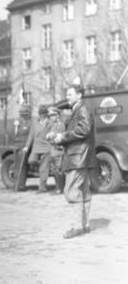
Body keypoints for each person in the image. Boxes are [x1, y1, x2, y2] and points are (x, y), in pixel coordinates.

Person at [46, 83, 96, 238]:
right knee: (83, 191)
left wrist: (63, 137)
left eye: (69, 94)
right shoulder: (78, 110)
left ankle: (76, 227)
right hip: (80, 157)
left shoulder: (82, 109)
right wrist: (58, 138)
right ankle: (85, 225)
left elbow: (84, 130)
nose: (67, 97)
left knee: (72, 190)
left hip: (77, 158)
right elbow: (79, 132)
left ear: (79, 95)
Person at [28, 105, 54, 192]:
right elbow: (31, 136)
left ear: (46, 114)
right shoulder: (35, 122)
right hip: (36, 147)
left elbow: (52, 134)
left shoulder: (50, 123)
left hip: (46, 147)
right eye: (40, 113)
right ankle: (40, 166)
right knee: (31, 160)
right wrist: (26, 147)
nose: (42, 115)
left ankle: (42, 188)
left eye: (43, 113)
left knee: (44, 168)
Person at [46, 106, 65, 193]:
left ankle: (60, 188)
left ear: (57, 115)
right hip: (53, 150)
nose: (51, 117)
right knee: (54, 170)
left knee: (59, 169)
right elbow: (48, 136)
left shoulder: (61, 125)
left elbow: (59, 136)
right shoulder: (52, 125)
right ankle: (57, 187)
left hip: (59, 150)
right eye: (50, 116)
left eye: (53, 115)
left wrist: (52, 135)